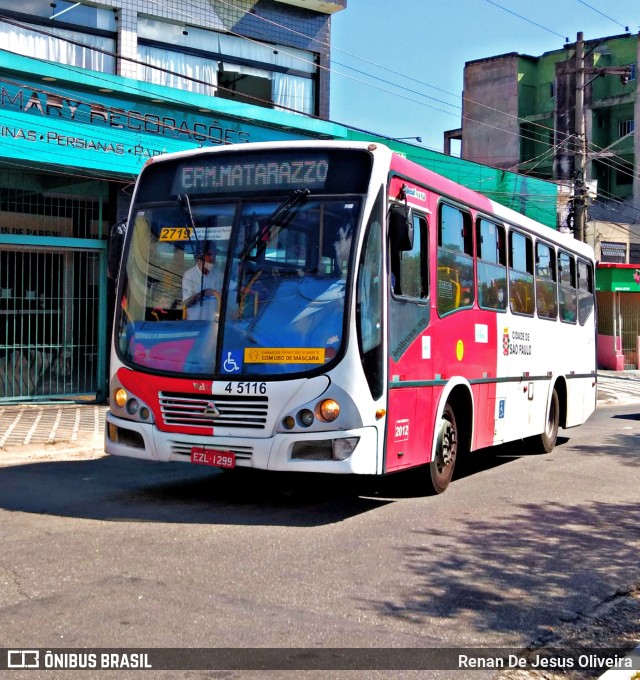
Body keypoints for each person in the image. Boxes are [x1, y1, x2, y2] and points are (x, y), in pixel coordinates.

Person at [182, 241, 222, 320]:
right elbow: (187, 303)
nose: (213, 258)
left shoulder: (217, 275)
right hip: (194, 326)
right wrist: (203, 293)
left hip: (212, 326)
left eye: (215, 254)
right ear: (200, 256)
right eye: (209, 254)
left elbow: (238, 288)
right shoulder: (189, 275)